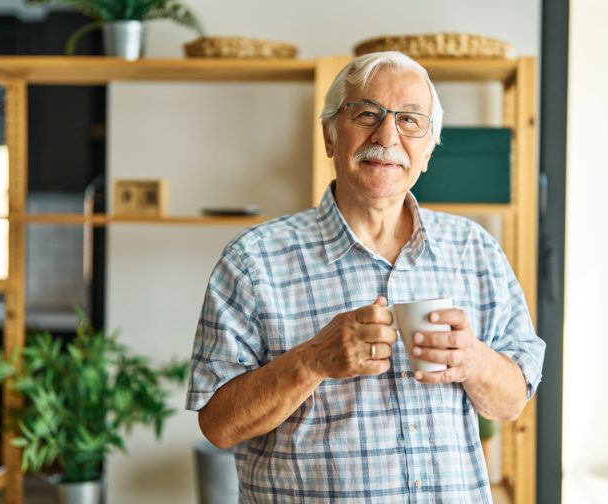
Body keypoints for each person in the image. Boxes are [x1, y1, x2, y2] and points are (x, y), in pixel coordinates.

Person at [186, 51, 545, 503]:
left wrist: (472, 360)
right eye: (368, 114)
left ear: (429, 149)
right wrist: (312, 360)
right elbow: (219, 425)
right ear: (330, 134)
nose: (388, 135)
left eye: (411, 121)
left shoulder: (475, 250)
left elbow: (512, 401)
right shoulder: (253, 261)